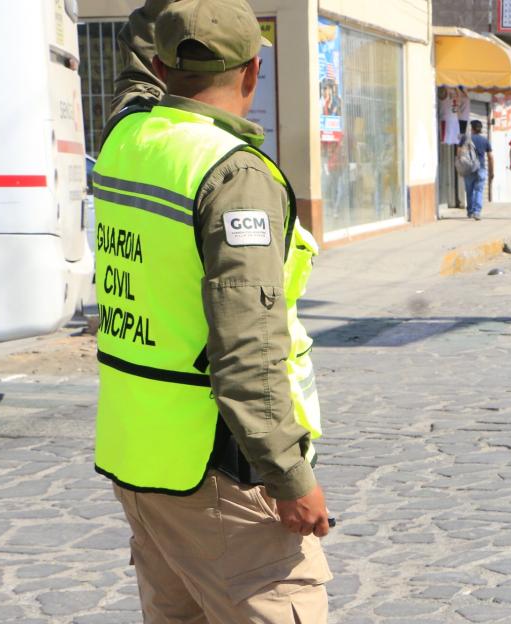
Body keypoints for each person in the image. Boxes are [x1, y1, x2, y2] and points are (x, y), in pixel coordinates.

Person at [98, 0, 331, 620]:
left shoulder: (126, 136)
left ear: (158, 63)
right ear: (254, 72)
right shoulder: (233, 175)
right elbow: (246, 351)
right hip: (221, 473)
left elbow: (132, 77)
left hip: (142, 460)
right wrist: (289, 476)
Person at [463, 119, 493, 220]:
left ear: (472, 128)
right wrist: (491, 171)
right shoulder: (485, 140)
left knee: (469, 190)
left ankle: (470, 211)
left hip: (468, 169)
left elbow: (459, 154)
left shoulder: (465, 139)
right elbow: (490, 157)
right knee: (479, 190)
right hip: (481, 168)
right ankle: (477, 212)